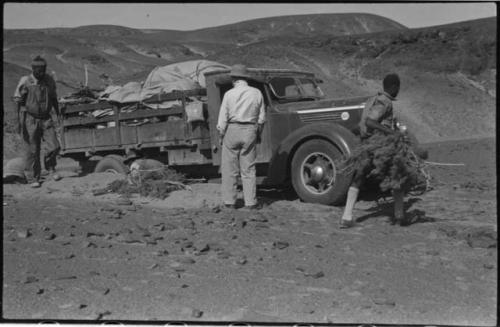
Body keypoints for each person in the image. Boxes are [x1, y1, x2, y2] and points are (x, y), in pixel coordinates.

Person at [339, 73, 403, 228]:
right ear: (394, 87)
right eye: (398, 87)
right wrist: (391, 133)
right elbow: (370, 121)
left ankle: (346, 217)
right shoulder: (384, 101)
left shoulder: (372, 99)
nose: (399, 90)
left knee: (359, 176)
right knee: (397, 174)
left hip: (368, 144)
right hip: (381, 145)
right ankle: (400, 216)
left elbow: (363, 122)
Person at [216, 64, 266, 209]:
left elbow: (222, 118)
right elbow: (261, 118)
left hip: (232, 129)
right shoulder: (256, 93)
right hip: (250, 129)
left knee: (229, 168)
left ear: (233, 79)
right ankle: (250, 202)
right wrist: (258, 134)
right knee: (248, 169)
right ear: (245, 78)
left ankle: (230, 202)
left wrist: (221, 134)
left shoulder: (229, 94)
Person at [13, 55, 61, 188]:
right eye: (38, 70)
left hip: (46, 118)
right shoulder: (26, 81)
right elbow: (17, 101)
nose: (41, 72)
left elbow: (54, 98)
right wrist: (18, 121)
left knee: (54, 146)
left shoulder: (49, 80)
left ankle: (51, 168)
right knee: (32, 150)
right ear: (33, 69)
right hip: (30, 119)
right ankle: (33, 178)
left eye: (43, 69)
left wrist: (58, 114)